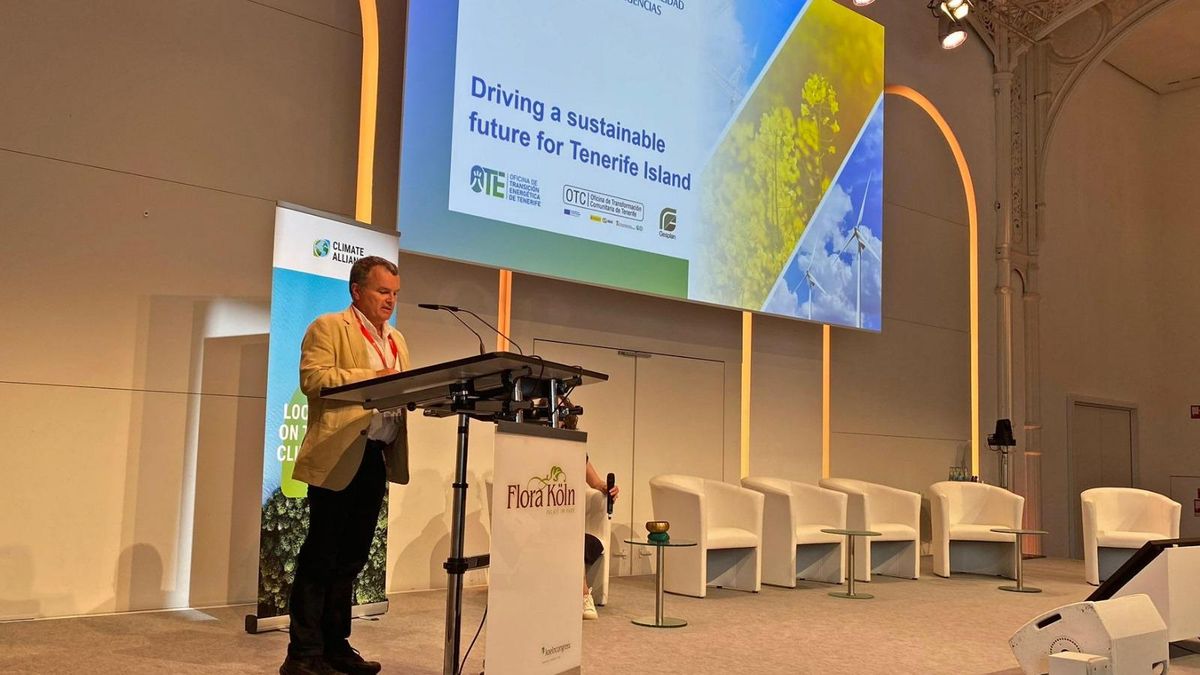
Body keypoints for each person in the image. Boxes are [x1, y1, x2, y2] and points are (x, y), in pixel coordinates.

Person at [280, 256, 411, 675]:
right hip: (338, 453)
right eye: (381, 291)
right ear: (357, 291)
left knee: (352, 558)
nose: (389, 300)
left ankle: (336, 647)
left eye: (394, 293)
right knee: (322, 555)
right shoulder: (328, 326)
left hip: (375, 456)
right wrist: (374, 376)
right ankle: (302, 655)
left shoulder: (398, 339)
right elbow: (313, 380)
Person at [557, 399, 619, 620]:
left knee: (571, 536)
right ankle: (583, 595)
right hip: (536, 516)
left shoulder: (574, 448)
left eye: (562, 414)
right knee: (565, 536)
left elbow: (595, 482)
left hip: (564, 517)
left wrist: (607, 488)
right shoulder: (529, 441)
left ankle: (582, 595)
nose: (559, 418)